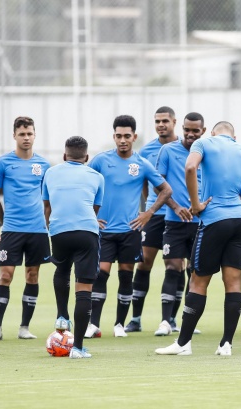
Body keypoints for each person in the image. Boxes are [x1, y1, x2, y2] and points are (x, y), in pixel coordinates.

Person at [156, 121, 241, 356]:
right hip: (239, 222)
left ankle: (183, 344)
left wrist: (195, 205)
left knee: (198, 281)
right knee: (233, 282)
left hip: (214, 220)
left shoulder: (204, 143)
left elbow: (190, 168)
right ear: (234, 136)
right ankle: (226, 344)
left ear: (212, 133)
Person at [86, 115, 172, 338]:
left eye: (127, 136)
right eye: (118, 136)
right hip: (103, 231)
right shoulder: (100, 161)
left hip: (130, 231)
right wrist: (91, 216)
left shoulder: (142, 164)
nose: (122, 140)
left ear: (134, 137)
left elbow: (166, 190)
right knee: (101, 274)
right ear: (113, 136)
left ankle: (118, 324)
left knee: (126, 276)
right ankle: (93, 324)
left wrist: (148, 213)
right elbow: (83, 185)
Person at [0, 116, 51, 341]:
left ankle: (24, 327)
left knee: (32, 275)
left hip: (38, 231)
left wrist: (46, 221)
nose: (26, 138)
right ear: (14, 135)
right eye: (22, 134)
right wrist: (2, 220)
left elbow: (48, 200)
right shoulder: (4, 163)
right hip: (12, 229)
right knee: (5, 275)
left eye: (30, 133)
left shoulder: (44, 165)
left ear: (35, 135)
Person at [43, 136, 105, 359]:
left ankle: (61, 314)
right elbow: (94, 208)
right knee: (84, 288)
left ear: (64, 156)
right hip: (87, 232)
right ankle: (77, 348)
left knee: (61, 269)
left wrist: (52, 227)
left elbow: (47, 206)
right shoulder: (97, 177)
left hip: (58, 230)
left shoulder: (50, 173)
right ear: (87, 157)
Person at [124, 107, 179, 333]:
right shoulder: (146, 151)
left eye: (165, 121)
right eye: (157, 121)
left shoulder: (186, 147)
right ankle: (136, 318)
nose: (161, 125)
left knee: (176, 264)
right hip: (154, 215)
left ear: (174, 122)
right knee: (144, 262)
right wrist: (151, 206)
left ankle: (171, 320)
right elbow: (145, 184)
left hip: (177, 217)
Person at [154, 112, 206, 336]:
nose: (190, 134)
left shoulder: (207, 152)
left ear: (203, 131)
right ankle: (166, 321)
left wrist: (201, 205)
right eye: (187, 130)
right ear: (182, 128)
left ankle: (186, 321)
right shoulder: (168, 150)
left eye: (195, 130)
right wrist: (175, 206)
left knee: (194, 272)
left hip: (200, 223)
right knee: (172, 268)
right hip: (174, 222)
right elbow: (158, 183)